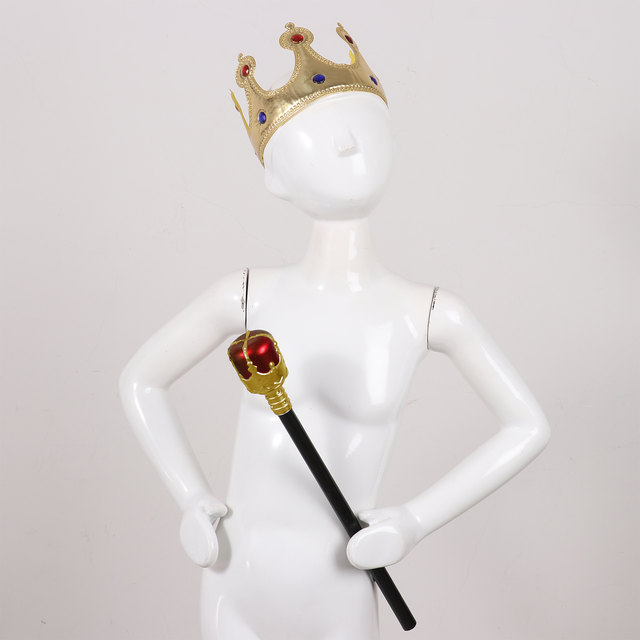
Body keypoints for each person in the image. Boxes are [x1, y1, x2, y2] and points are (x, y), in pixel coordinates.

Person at [119, 23, 550, 640]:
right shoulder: (247, 296)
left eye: (364, 125)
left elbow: (528, 426)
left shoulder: (428, 313)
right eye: (319, 134)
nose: (348, 142)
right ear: (274, 176)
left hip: (337, 584)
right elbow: (141, 379)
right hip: (236, 573)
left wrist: (414, 521)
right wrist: (190, 496)